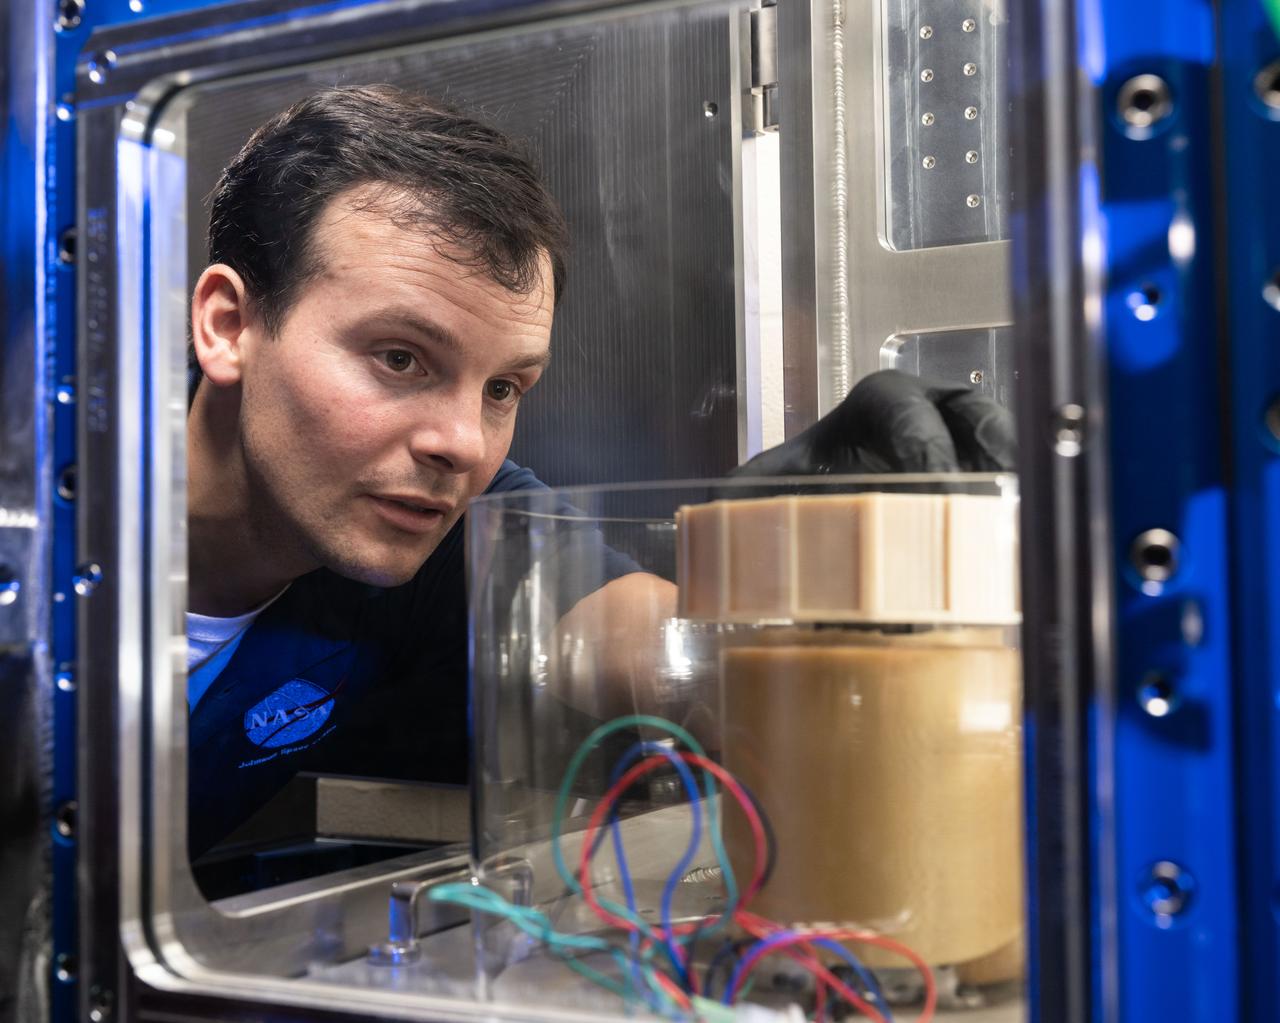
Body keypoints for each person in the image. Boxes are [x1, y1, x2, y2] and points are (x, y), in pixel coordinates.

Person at [184, 85, 1014, 860]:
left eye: (503, 387)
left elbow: (624, 633)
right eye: (401, 358)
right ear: (230, 327)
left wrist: (782, 587)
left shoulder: (452, 523)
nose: (465, 444)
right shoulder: (66, 509)